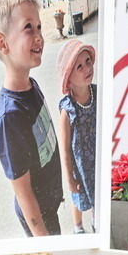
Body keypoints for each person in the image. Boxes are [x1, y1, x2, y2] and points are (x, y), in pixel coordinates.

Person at [0, 0, 64, 237]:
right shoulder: (10, 118)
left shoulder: (32, 85)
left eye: (39, 26)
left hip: (49, 207)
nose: (39, 36)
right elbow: (23, 192)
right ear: (3, 43)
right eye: (28, 28)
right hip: (38, 218)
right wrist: (43, 239)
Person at [55, 39, 97, 234]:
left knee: (98, 191)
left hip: (97, 158)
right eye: (79, 66)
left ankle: (97, 221)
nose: (86, 68)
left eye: (87, 61)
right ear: (68, 80)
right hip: (79, 165)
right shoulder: (68, 108)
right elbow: (64, 149)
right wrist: (69, 178)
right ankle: (78, 226)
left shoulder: (98, 93)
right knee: (79, 196)